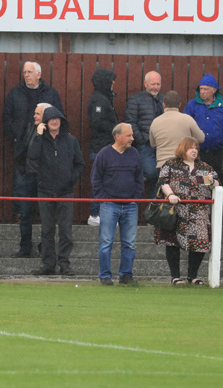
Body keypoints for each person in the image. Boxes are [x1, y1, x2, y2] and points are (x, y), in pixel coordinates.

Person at [27, 106, 85, 276]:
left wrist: (70, 179)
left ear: (62, 121)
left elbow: (80, 164)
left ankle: (64, 263)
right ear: (45, 122)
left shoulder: (71, 140)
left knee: (66, 231)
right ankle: (48, 264)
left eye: (57, 119)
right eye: (51, 119)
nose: (54, 121)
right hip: (45, 190)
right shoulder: (40, 139)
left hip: (65, 192)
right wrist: (37, 135)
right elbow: (31, 156)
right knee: (47, 230)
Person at [3, 61, 62, 225]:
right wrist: (15, 135)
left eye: (29, 72)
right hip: (22, 147)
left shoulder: (50, 93)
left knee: (44, 184)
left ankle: (42, 215)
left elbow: (59, 116)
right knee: (21, 182)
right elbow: (7, 117)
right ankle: (21, 214)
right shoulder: (15, 93)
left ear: (39, 74)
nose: (26, 75)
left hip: (45, 147)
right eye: (24, 72)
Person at [155, 137, 220, 285]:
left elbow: (216, 183)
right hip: (176, 210)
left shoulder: (205, 167)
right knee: (172, 242)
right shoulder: (171, 164)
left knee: (200, 242)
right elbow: (162, 181)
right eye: (191, 148)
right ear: (182, 149)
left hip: (199, 211)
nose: (194, 151)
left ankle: (193, 276)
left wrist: (211, 182)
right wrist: (170, 194)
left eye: (196, 148)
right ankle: (175, 276)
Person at [92, 123, 143, 285]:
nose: (132, 139)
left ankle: (126, 275)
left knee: (130, 243)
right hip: (109, 204)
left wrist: (135, 197)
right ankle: (105, 276)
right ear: (117, 136)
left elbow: (139, 178)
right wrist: (104, 198)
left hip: (130, 205)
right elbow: (96, 179)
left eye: (132, 135)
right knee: (106, 242)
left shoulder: (134, 154)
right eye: (129, 135)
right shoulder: (104, 154)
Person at [11, 102, 52, 258]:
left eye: (38, 113)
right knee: (25, 213)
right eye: (34, 113)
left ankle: (45, 247)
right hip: (28, 175)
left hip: (44, 179)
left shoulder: (51, 132)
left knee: (45, 215)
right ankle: (25, 246)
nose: (34, 116)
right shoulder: (29, 128)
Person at [183, 73, 223, 175]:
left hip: (218, 153)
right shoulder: (192, 105)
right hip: (197, 152)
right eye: (201, 89)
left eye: (205, 89)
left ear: (214, 90)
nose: (202, 92)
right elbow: (185, 126)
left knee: (216, 181)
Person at [85, 68, 118, 225]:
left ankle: (105, 214)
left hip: (105, 146)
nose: (113, 83)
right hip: (100, 147)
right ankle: (95, 214)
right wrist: (115, 129)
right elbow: (97, 122)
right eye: (111, 80)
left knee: (108, 181)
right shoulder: (99, 99)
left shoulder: (105, 97)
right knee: (100, 181)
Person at [149, 91, 205, 169]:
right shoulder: (187, 119)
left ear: (164, 105)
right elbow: (201, 138)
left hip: (163, 165)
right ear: (179, 105)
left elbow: (153, 144)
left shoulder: (155, 122)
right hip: (183, 164)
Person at [125, 71, 164, 180]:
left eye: (158, 84)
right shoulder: (135, 99)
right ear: (145, 84)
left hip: (161, 144)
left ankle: (154, 198)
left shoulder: (163, 99)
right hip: (145, 144)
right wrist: (141, 140)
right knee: (151, 172)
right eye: (153, 84)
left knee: (162, 176)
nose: (155, 87)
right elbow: (130, 122)